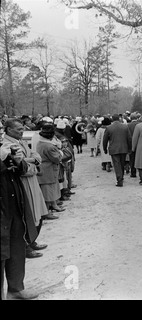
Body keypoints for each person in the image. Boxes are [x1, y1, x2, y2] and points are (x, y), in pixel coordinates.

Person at [1, 119, 49, 259]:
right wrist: (32, 162)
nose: (22, 132)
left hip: (32, 180)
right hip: (23, 182)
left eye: (22, 129)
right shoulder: (7, 145)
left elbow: (34, 154)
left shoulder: (20, 141)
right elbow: (19, 165)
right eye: (19, 129)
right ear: (9, 130)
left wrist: (32, 160)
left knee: (37, 213)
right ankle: (25, 246)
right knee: (27, 215)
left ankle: (32, 240)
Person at [0, 129, 39, 300]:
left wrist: (18, 160)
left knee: (17, 246)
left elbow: (21, 170)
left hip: (14, 205)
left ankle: (15, 289)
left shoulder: (4, 147)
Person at [36, 123, 65, 217]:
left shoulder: (40, 143)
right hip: (48, 170)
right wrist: (60, 152)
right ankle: (47, 212)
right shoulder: (50, 147)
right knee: (48, 191)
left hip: (45, 169)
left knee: (51, 189)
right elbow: (57, 158)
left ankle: (54, 205)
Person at [102, 114, 132, 187]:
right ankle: (121, 177)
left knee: (116, 164)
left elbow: (105, 140)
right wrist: (130, 148)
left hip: (114, 148)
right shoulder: (125, 127)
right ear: (119, 119)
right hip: (123, 148)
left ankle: (119, 180)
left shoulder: (109, 128)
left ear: (112, 119)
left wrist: (104, 149)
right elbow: (129, 138)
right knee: (122, 163)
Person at [127, 113, 140, 177]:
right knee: (139, 158)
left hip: (131, 143)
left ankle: (133, 173)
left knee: (132, 159)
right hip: (139, 143)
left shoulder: (128, 125)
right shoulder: (139, 124)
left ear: (130, 118)